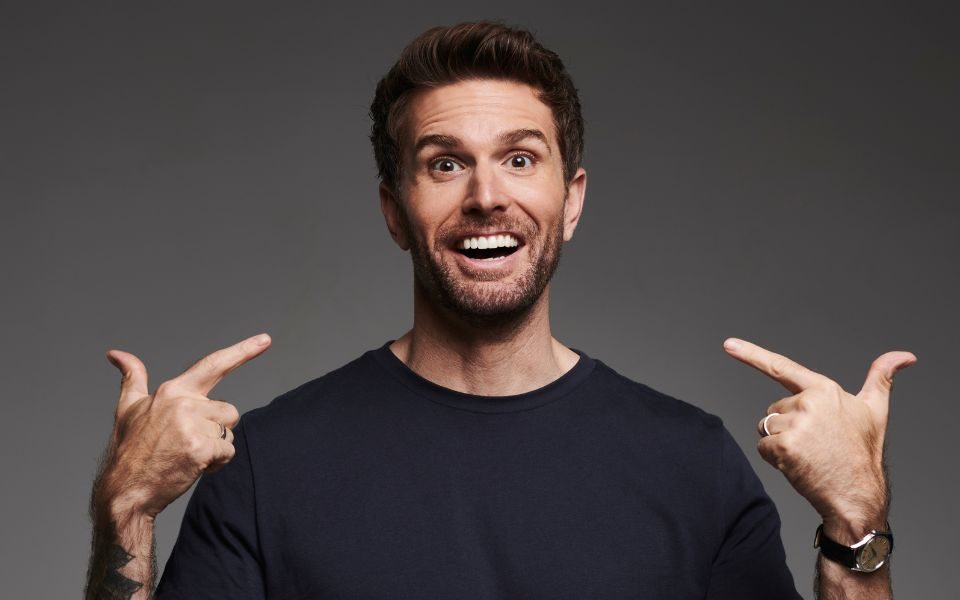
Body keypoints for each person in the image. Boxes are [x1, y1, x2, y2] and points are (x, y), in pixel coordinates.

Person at [84, 22, 915, 600]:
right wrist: (125, 513)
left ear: (572, 199)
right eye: (445, 165)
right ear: (392, 209)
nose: (487, 197)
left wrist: (855, 524)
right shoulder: (266, 466)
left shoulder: (693, 463)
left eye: (521, 158)